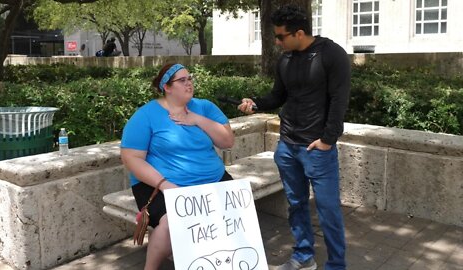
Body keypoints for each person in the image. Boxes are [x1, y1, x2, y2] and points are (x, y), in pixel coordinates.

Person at [237, 4, 350, 270]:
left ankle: (336, 265)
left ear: (299, 33)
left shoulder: (332, 55)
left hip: (317, 148)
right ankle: (303, 256)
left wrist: (327, 140)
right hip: (287, 146)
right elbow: (279, 96)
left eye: (280, 37)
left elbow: (339, 100)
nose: (276, 42)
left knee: (328, 211)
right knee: (296, 204)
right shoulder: (285, 60)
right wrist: (256, 104)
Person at [120, 63, 235, 270]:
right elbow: (131, 158)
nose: (188, 83)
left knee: (232, 217)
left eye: (189, 78)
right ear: (167, 87)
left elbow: (227, 141)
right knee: (171, 224)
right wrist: (165, 184)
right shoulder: (146, 115)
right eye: (182, 80)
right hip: (161, 185)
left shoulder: (205, 107)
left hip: (213, 179)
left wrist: (196, 119)